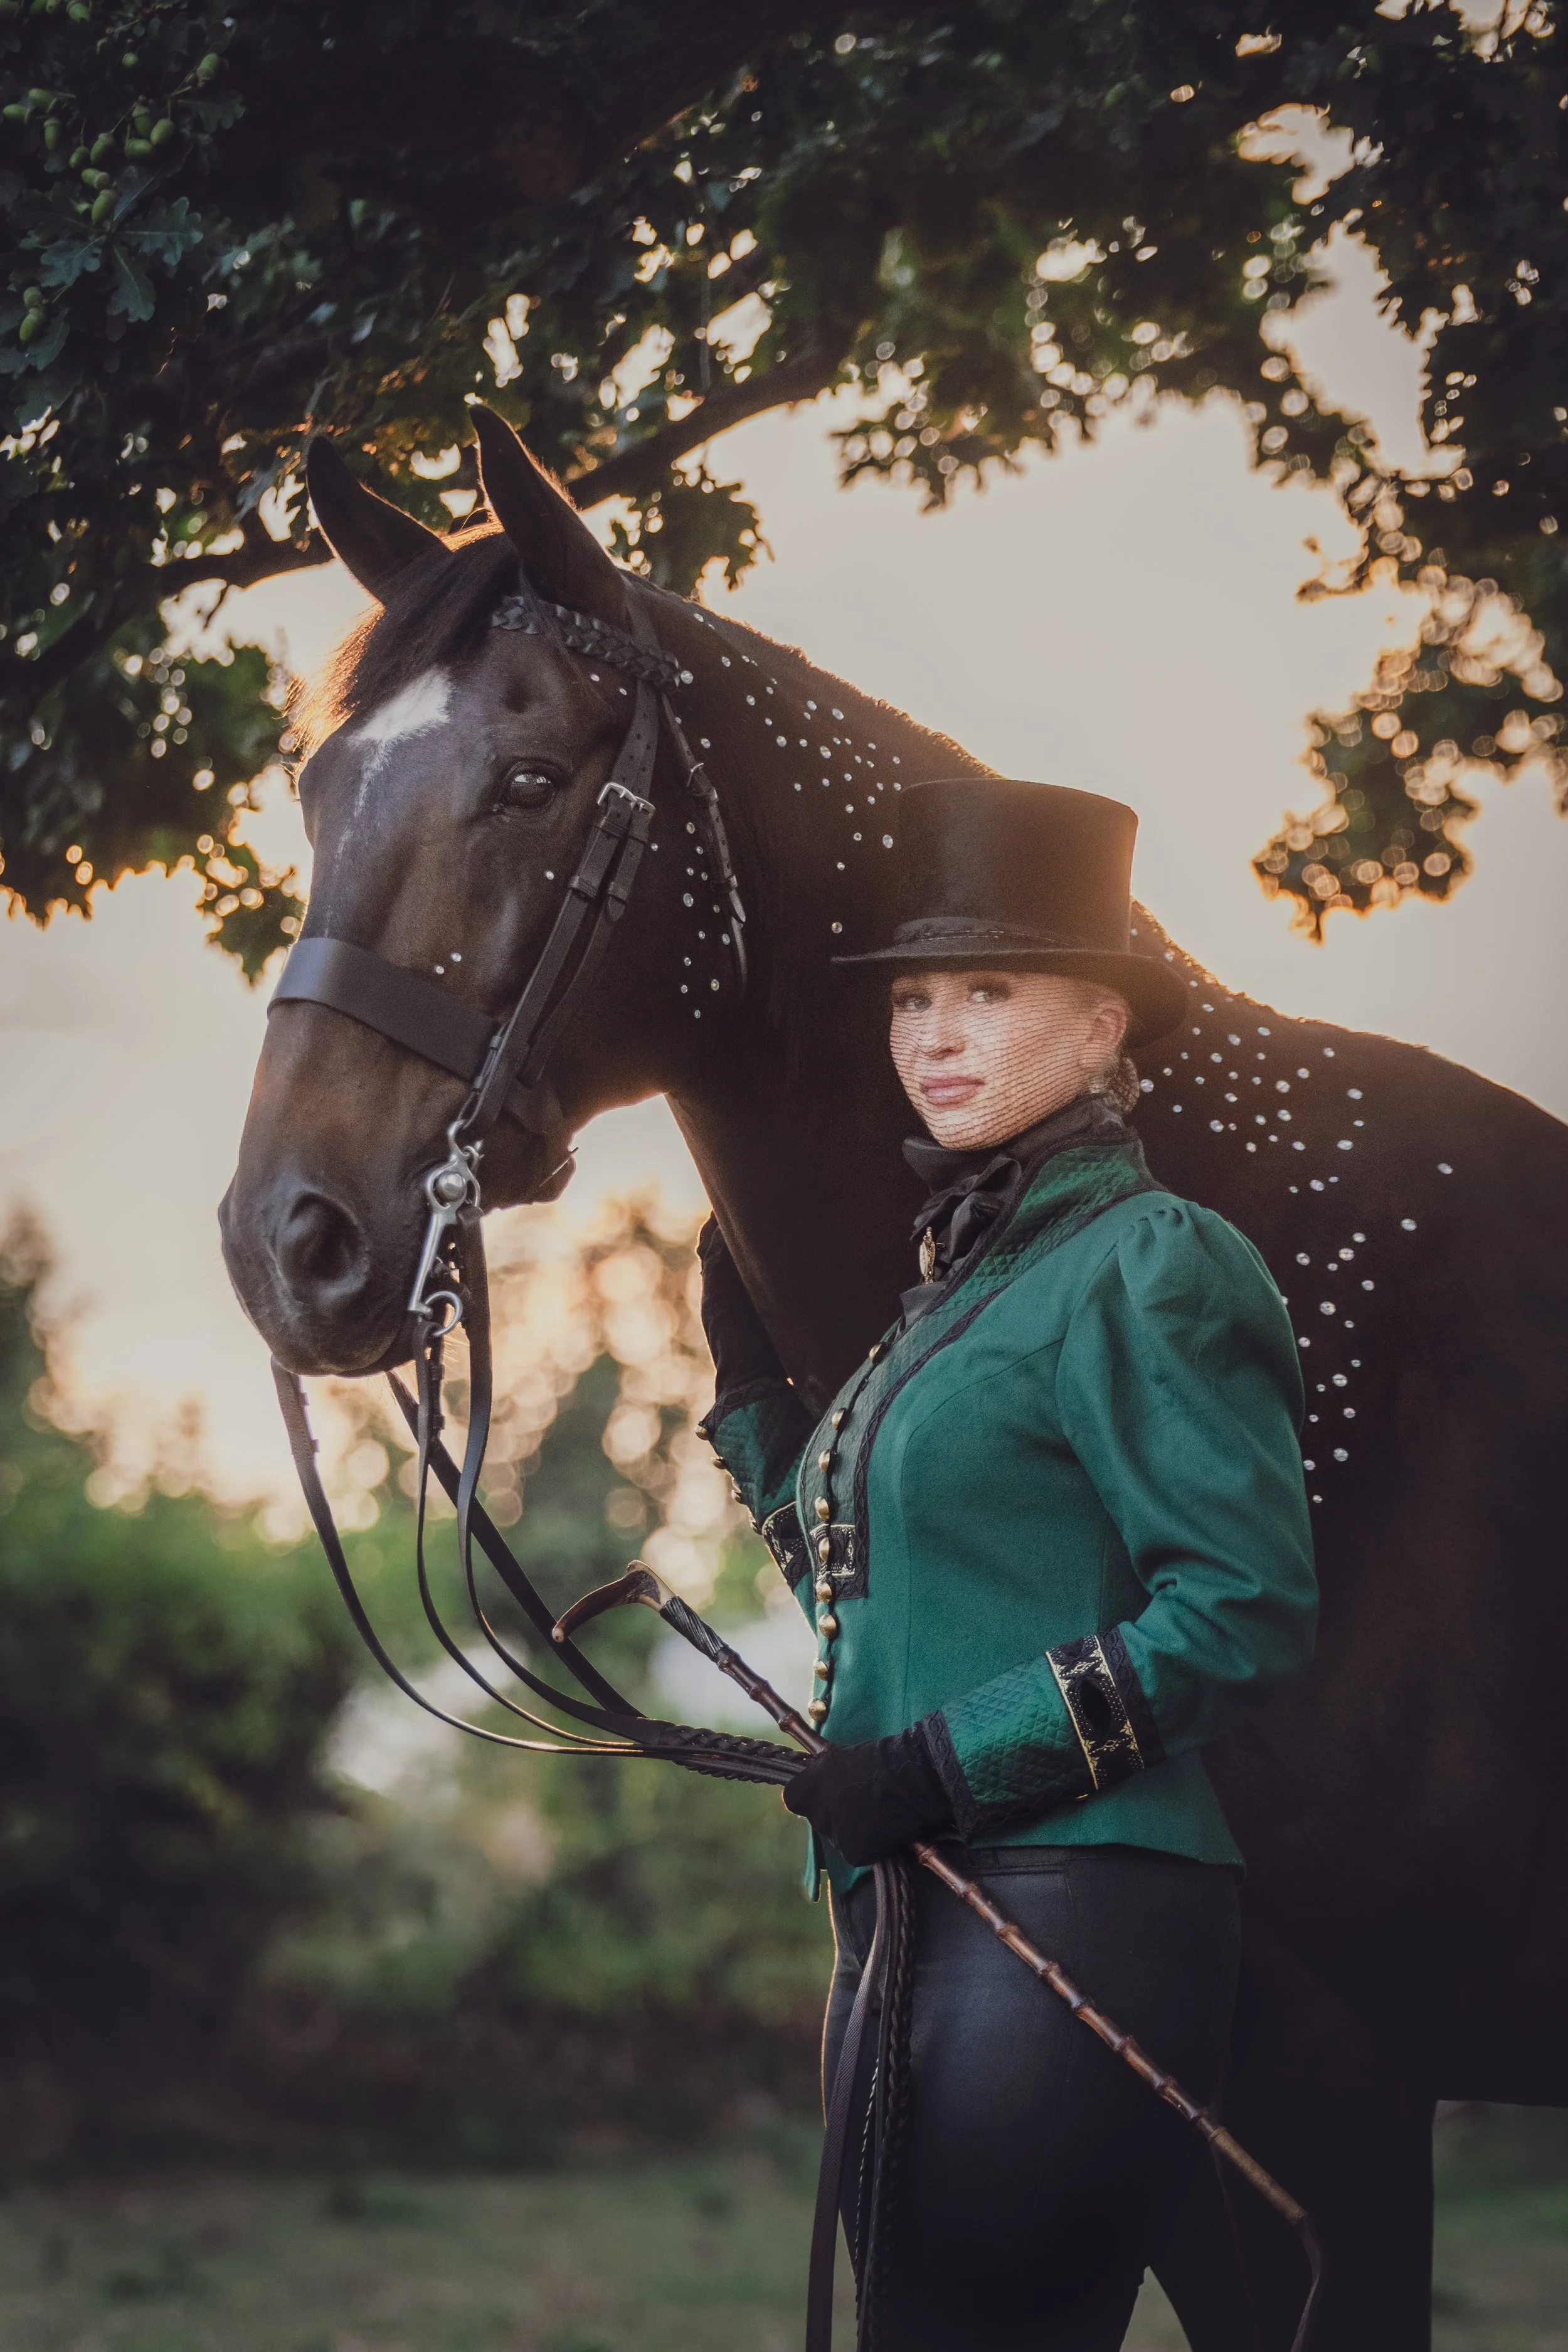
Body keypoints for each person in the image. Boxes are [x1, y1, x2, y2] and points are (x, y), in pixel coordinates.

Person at [697, 776, 1317, 2351]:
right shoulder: (953, 1295)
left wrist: (941, 1765)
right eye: (912, 997)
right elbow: (875, 1584)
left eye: (988, 990)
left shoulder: (1144, 1260)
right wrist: (755, 1405)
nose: (933, 1034)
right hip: (912, 1899)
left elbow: (1242, 1613)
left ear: (1104, 1027)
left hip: (1076, 1896)